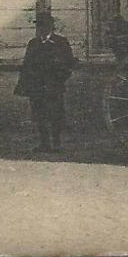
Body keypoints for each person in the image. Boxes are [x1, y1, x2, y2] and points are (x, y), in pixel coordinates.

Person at [14, 11, 76, 152]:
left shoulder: (61, 43)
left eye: (46, 25)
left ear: (51, 27)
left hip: (54, 86)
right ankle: (44, 144)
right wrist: (27, 83)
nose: (42, 28)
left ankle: (56, 144)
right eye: (40, 26)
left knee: (56, 115)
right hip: (37, 86)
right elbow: (27, 64)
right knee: (39, 115)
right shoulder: (34, 44)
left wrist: (60, 78)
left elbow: (69, 63)